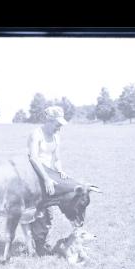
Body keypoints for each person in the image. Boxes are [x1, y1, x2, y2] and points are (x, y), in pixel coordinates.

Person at [27, 106, 79, 255]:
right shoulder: (36, 134)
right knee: (40, 211)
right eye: (58, 123)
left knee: (49, 213)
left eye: (61, 124)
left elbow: (56, 158)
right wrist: (46, 179)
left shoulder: (56, 135)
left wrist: (60, 170)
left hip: (51, 176)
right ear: (48, 121)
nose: (60, 126)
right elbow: (33, 158)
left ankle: (41, 242)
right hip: (36, 175)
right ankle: (39, 246)